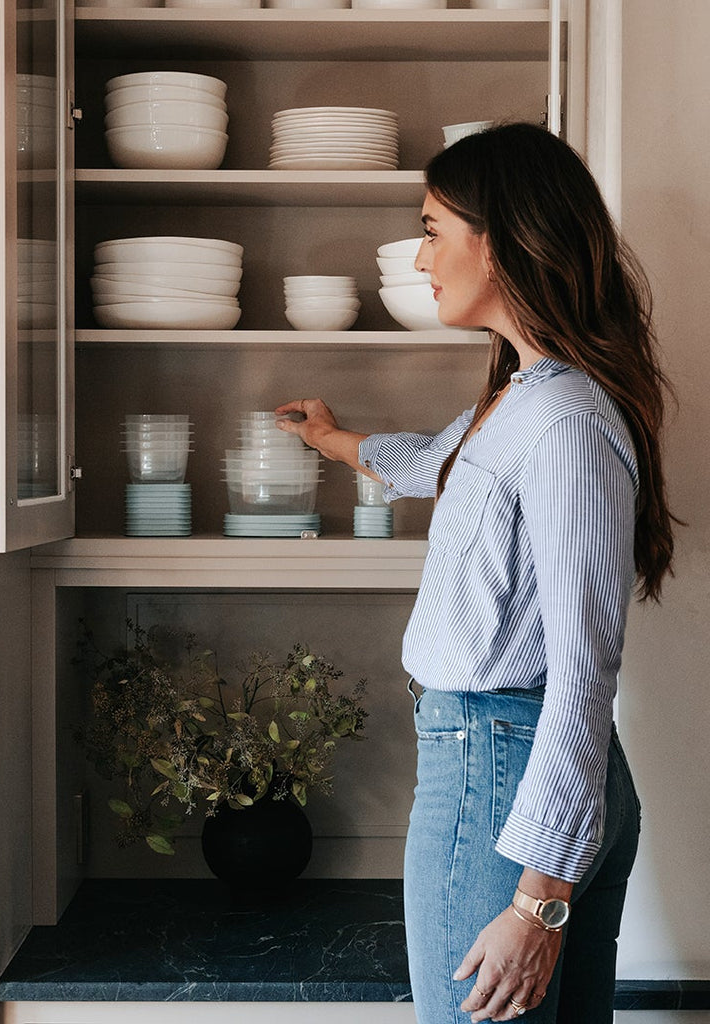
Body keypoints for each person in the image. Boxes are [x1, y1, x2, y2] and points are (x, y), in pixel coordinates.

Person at [275, 122, 677, 1023]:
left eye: (429, 229)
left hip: (502, 768)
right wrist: (331, 438)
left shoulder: (563, 419)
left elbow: (585, 669)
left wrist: (538, 901)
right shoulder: (521, 398)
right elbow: (433, 463)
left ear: (497, 239)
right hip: (529, 769)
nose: (420, 258)